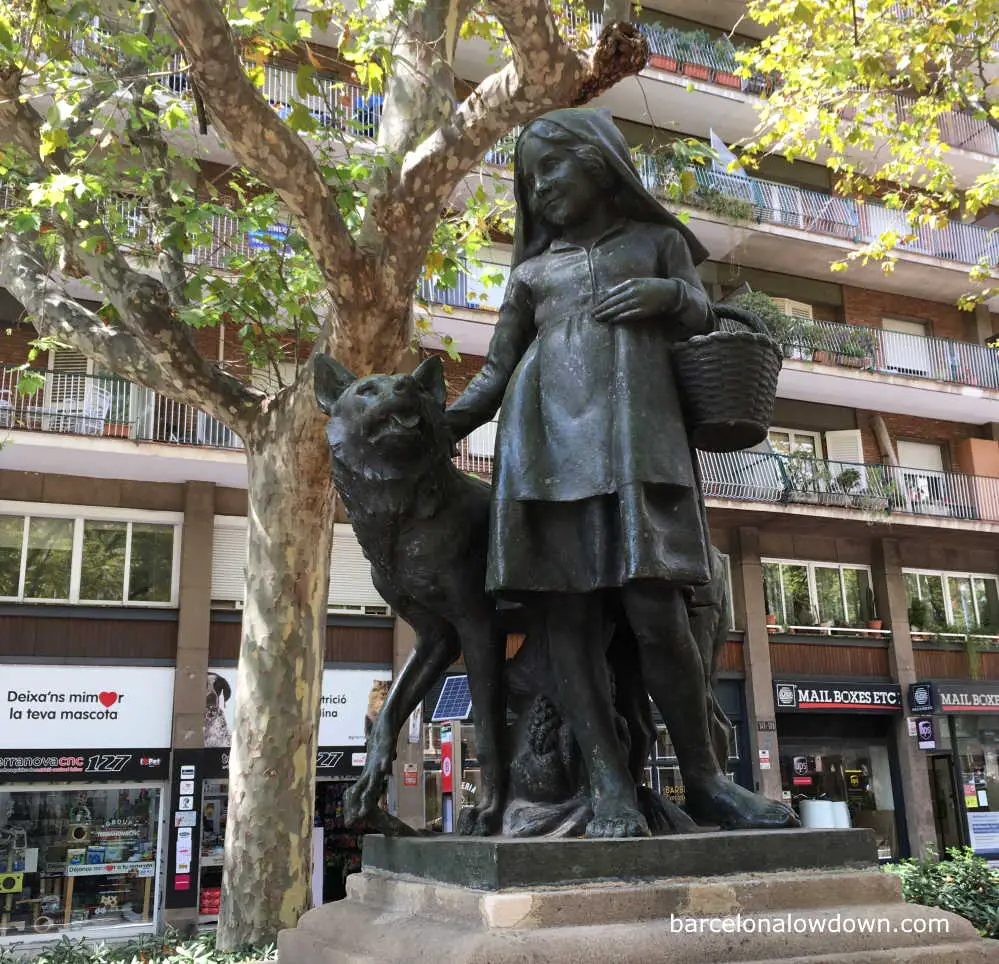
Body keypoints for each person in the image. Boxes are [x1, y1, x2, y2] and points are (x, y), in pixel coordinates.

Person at [445, 107, 795, 836]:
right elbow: (496, 371)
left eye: (549, 170)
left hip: (640, 448)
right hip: (542, 450)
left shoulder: (658, 243)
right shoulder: (534, 273)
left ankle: (704, 781)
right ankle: (606, 785)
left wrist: (673, 296)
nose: (536, 190)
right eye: (526, 180)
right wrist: (436, 426)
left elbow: (706, 319)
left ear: (599, 164)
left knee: (656, 612)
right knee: (564, 616)